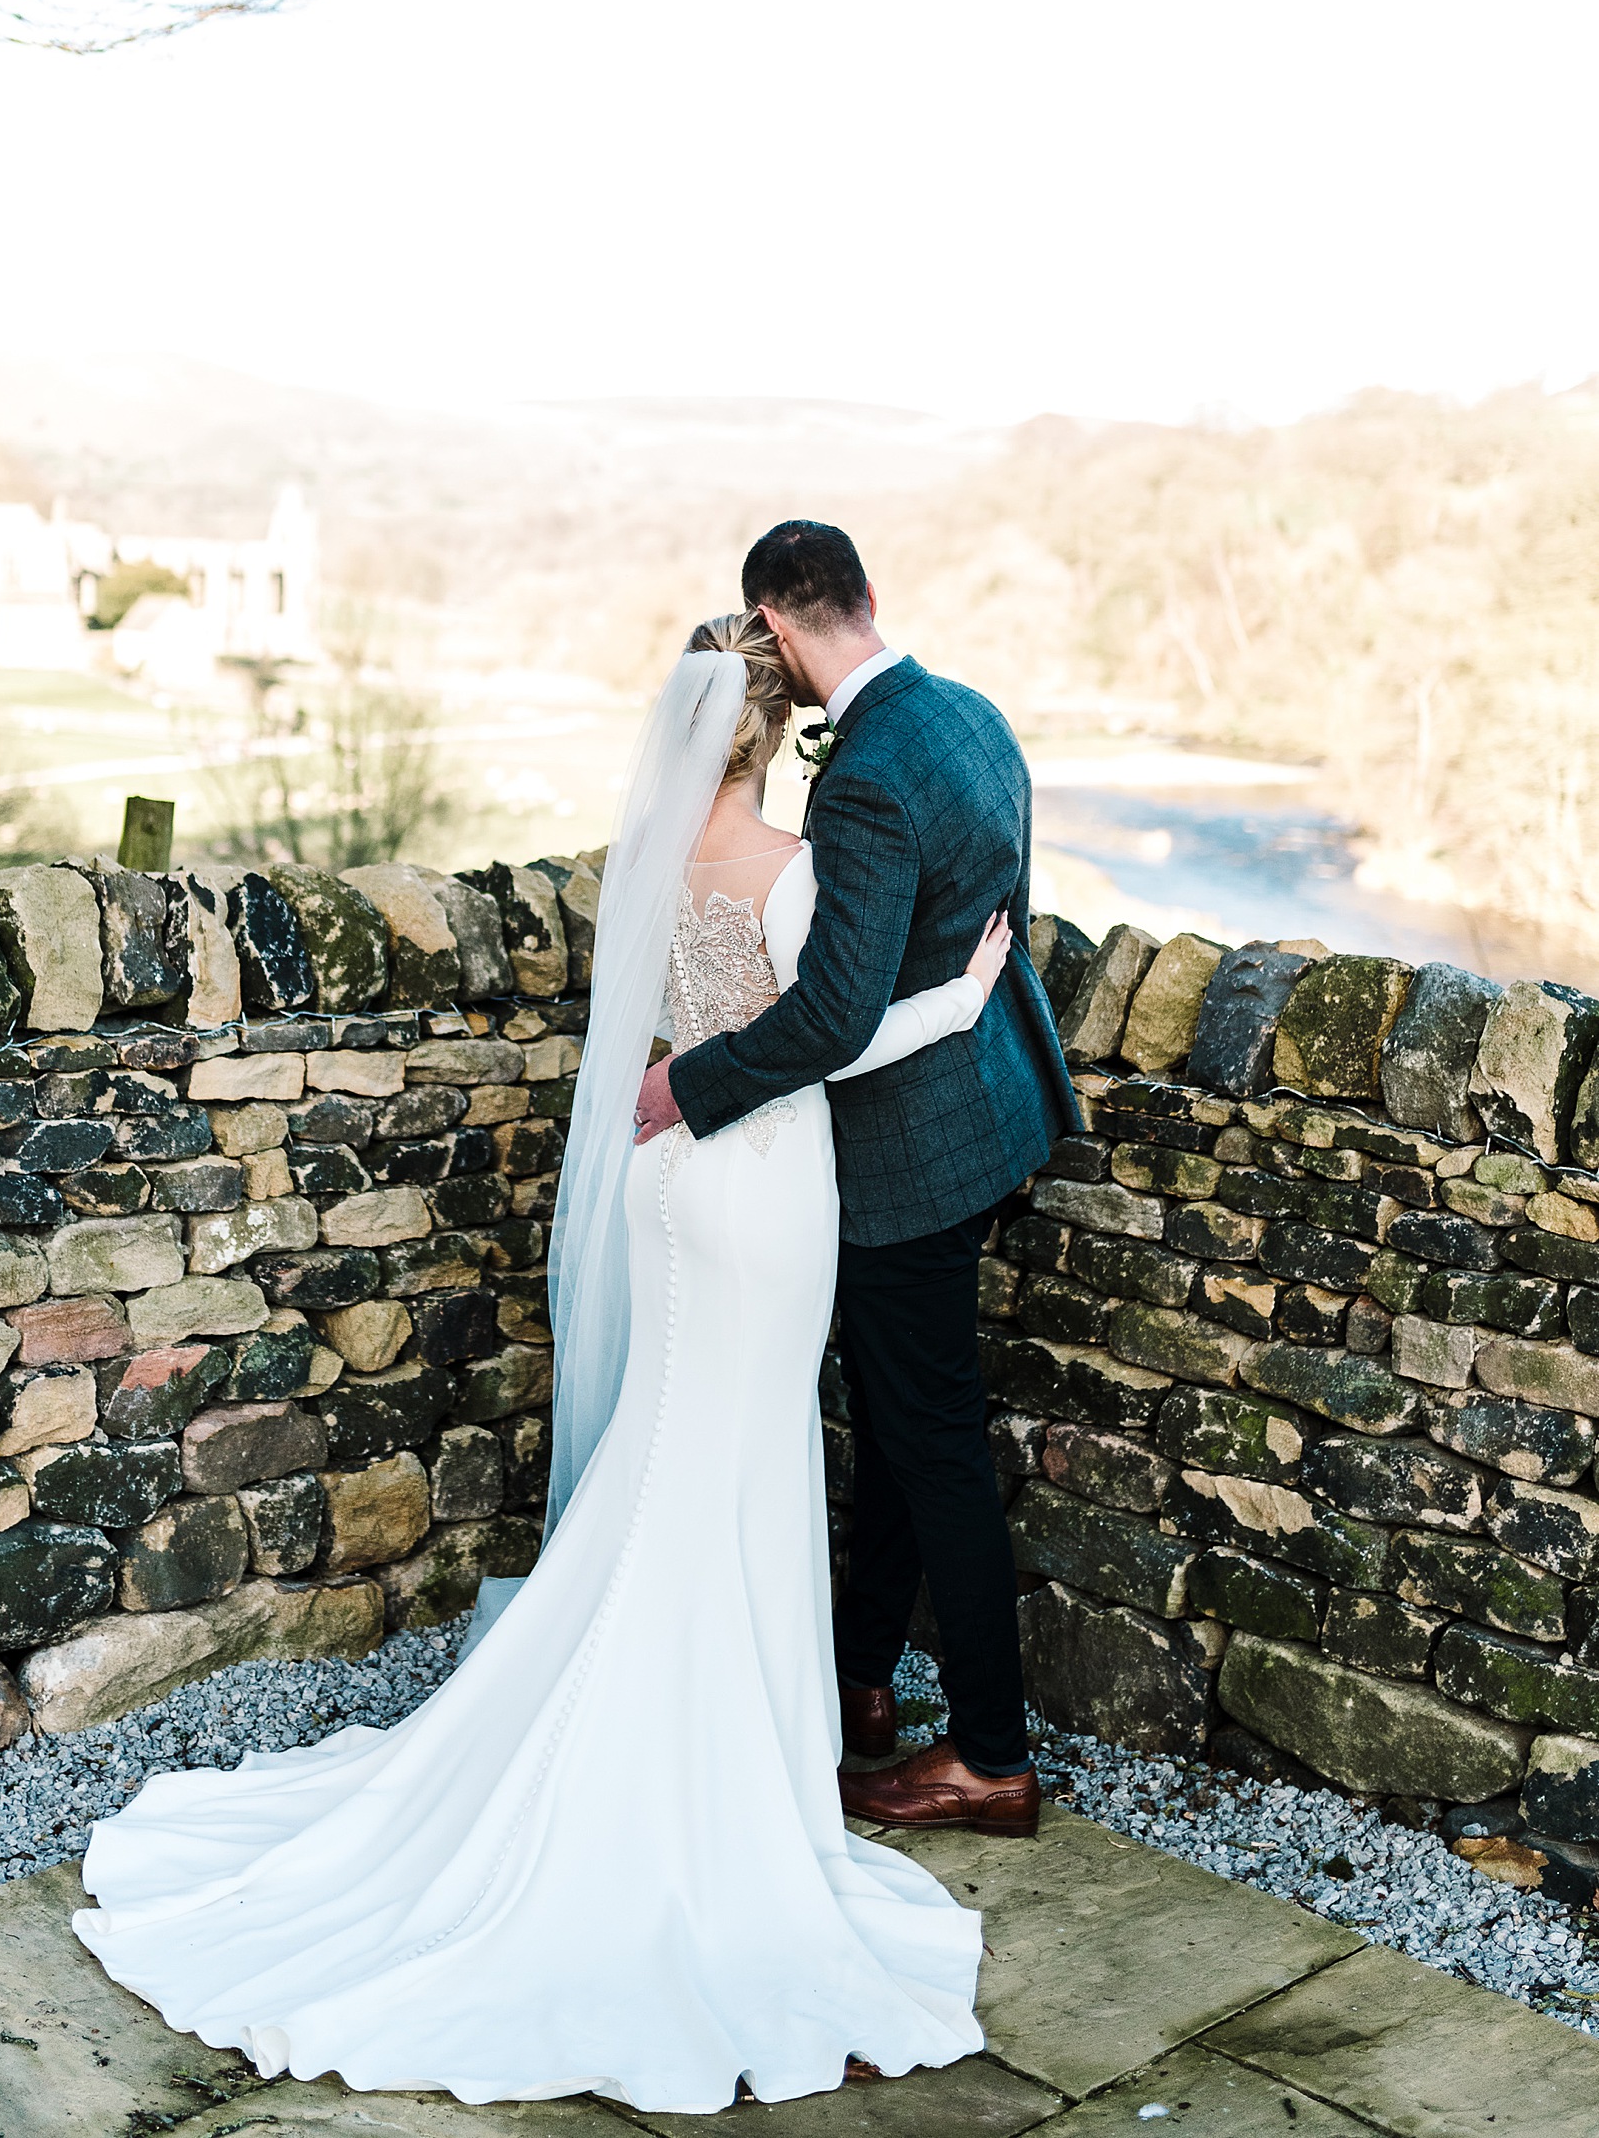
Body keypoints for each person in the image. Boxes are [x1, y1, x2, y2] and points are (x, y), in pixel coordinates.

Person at [72, 606, 1023, 2115]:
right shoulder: (793, 872)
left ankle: (647, 1733)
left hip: (665, 1186)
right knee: (740, 1462)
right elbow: (821, 1036)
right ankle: (714, 1792)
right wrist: (960, 1002)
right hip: (760, 1188)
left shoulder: (645, 870)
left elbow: (664, 1036)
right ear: (782, 731)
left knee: (672, 1457)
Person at [636, 518, 1078, 1830]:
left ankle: (991, 1754)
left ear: (772, 625)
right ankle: (864, 1681)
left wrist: (689, 1084)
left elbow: (829, 1015)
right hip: (996, 1119)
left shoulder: (865, 778)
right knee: (892, 1426)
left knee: (929, 1441)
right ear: (865, 598)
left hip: (906, 1164)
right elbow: (992, 916)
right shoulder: (973, 717)